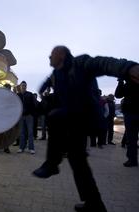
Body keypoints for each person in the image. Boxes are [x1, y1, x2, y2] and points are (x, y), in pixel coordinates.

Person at [32, 45, 139, 212]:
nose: (49, 57)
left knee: (54, 117)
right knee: (78, 162)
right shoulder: (56, 74)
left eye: (52, 54)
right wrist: (42, 91)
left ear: (61, 55)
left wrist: (129, 68)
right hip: (71, 119)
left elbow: (103, 63)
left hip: (84, 117)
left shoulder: (81, 63)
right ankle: (94, 203)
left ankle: (52, 164)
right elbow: (46, 84)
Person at [115, 78, 139, 167]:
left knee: (131, 138)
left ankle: (132, 159)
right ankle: (132, 159)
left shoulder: (128, 84)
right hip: (132, 112)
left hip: (131, 113)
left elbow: (118, 95)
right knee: (131, 138)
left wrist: (120, 82)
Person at [17, 81, 36, 154]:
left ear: (26, 86)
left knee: (30, 132)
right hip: (21, 116)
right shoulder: (18, 95)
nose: (23, 86)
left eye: (25, 85)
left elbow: (34, 104)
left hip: (29, 116)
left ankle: (31, 148)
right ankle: (21, 147)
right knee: (22, 132)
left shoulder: (30, 94)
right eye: (22, 85)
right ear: (20, 86)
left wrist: (32, 113)